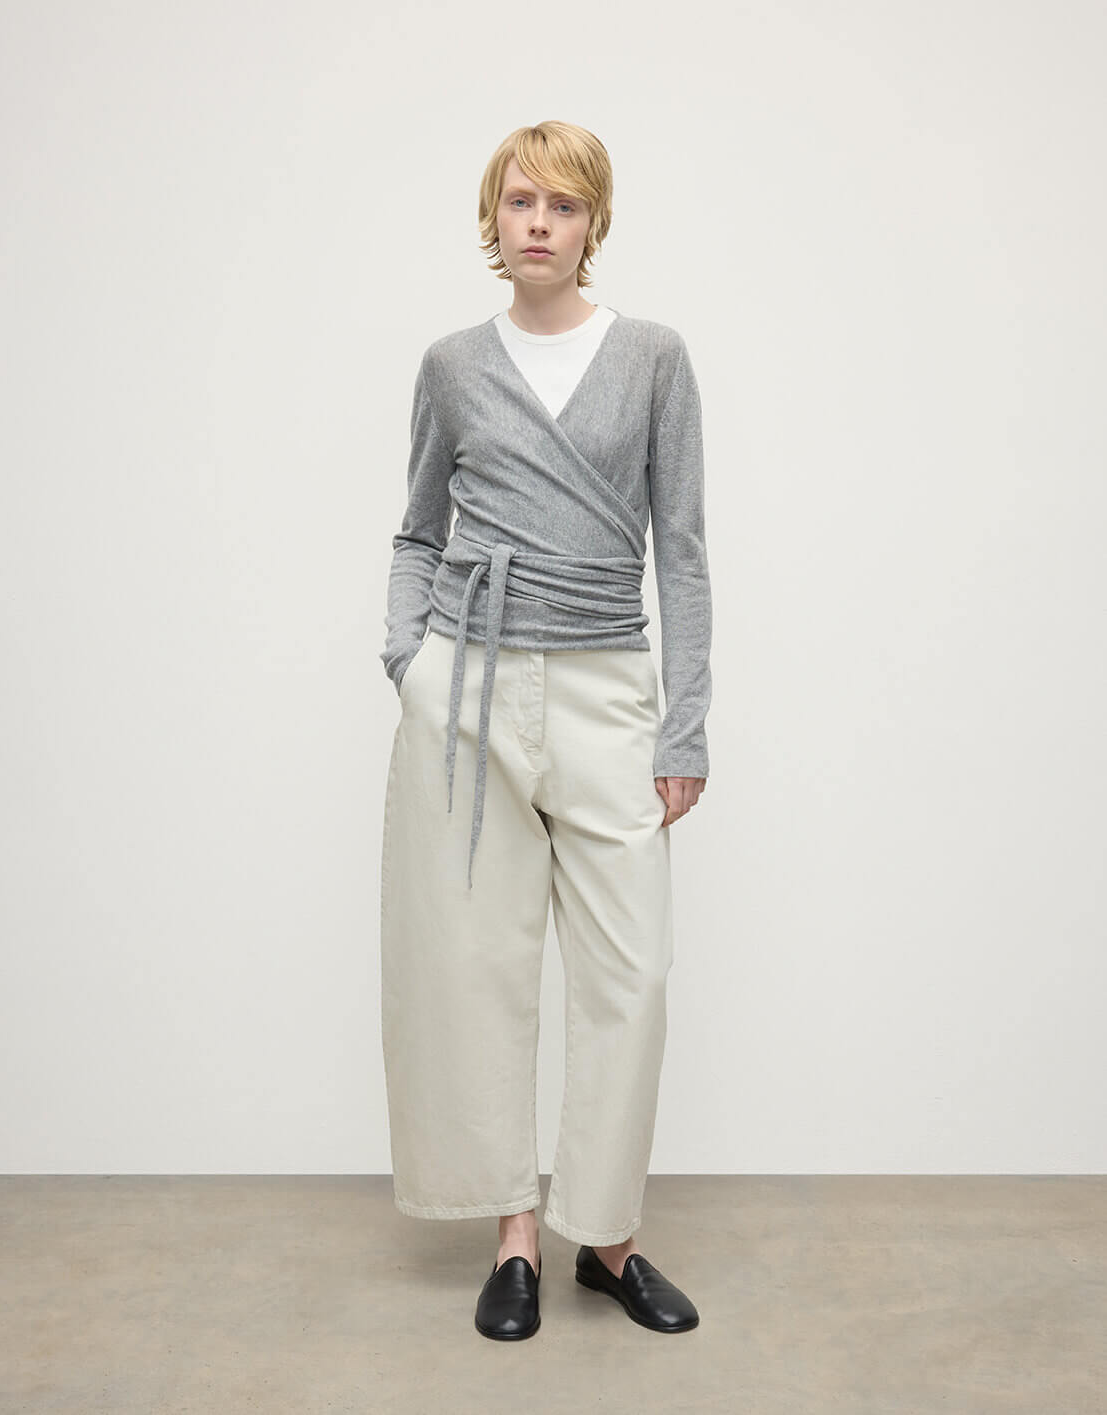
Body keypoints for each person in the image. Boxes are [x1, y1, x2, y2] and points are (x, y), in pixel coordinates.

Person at [378, 120, 712, 1340]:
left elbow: (681, 548)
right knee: (477, 965)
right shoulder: (452, 365)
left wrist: (684, 726)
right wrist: (410, 661)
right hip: (466, 691)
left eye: (562, 205)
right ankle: (514, 1232)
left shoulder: (654, 357)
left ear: (591, 224)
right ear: (493, 217)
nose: (538, 222)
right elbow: (418, 529)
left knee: (632, 971)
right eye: (520, 200)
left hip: (605, 688)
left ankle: (606, 1237)